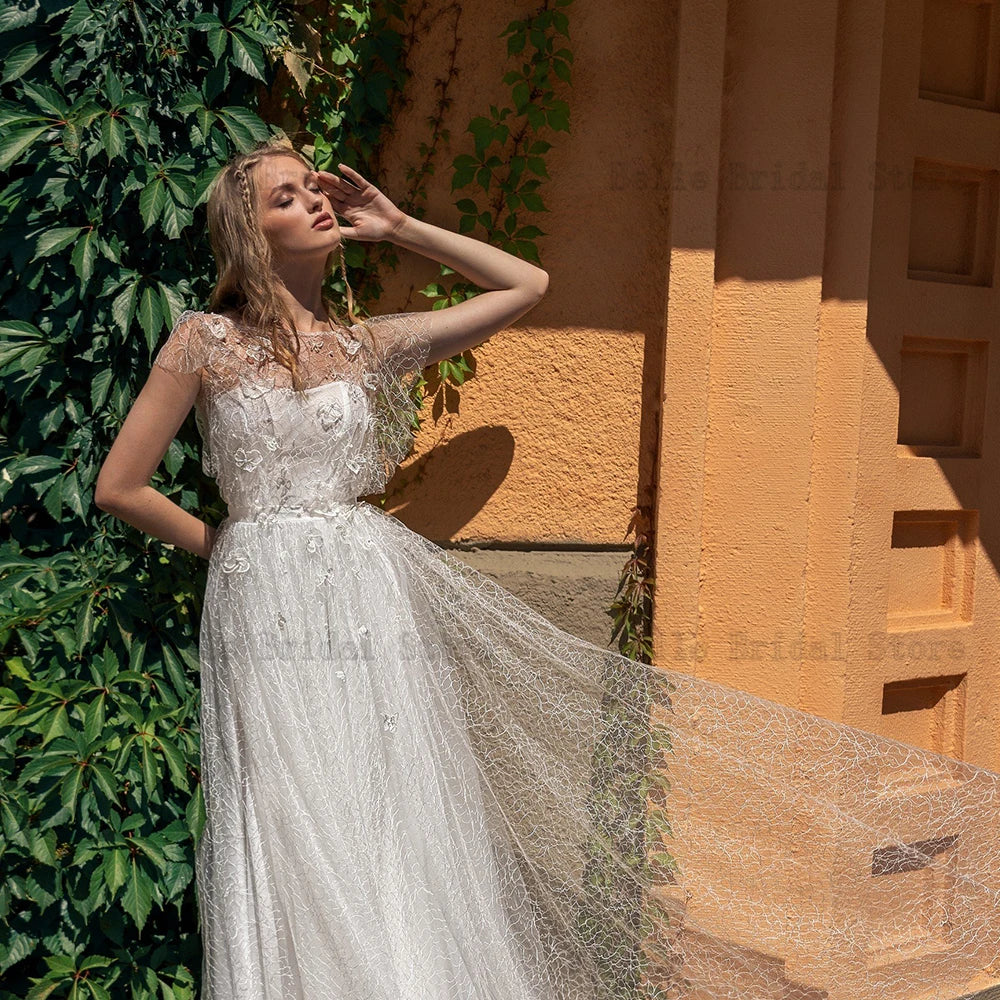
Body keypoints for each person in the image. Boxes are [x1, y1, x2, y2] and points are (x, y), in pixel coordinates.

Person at [95, 138, 1000, 1000]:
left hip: (368, 597)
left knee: (385, 798)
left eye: (314, 186)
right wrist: (240, 551)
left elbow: (527, 284)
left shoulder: (367, 346)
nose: (316, 201)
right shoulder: (203, 342)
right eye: (285, 196)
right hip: (267, 602)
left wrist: (403, 227)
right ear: (251, 233)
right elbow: (121, 485)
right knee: (292, 808)